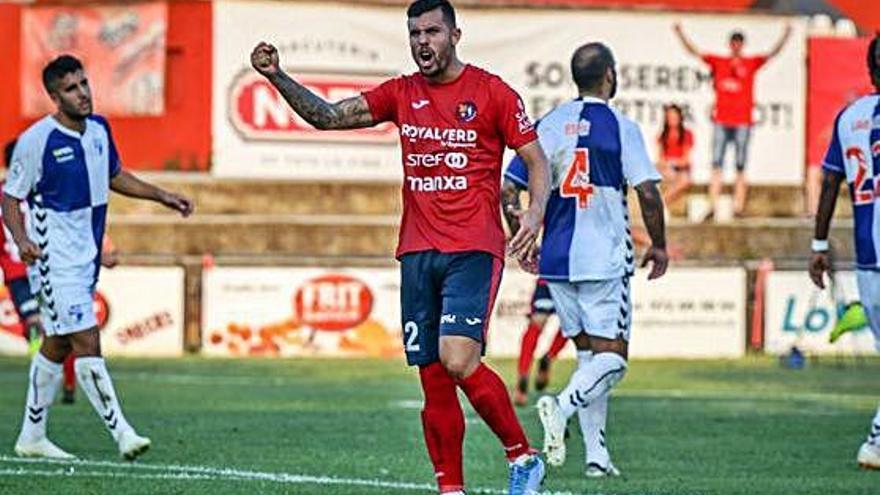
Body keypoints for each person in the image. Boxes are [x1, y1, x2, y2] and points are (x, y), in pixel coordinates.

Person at [250, 1, 550, 493]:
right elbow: (327, 117)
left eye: (432, 31)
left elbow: (536, 161)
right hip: (416, 250)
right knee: (432, 376)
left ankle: (522, 456)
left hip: (473, 247)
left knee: (457, 358)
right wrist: (276, 75)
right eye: (415, 33)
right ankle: (450, 488)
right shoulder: (400, 92)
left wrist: (532, 219)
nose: (422, 42)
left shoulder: (492, 92)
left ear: (455, 35)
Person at [7, 55, 194, 460]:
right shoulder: (36, 140)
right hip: (53, 259)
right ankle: (123, 433)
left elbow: (113, 175)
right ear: (55, 97)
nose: (83, 93)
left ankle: (32, 437)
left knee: (57, 345)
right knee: (86, 339)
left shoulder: (99, 130)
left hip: (86, 255)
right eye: (71, 88)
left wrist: (163, 196)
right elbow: (10, 197)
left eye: (84, 83)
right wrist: (22, 240)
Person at [531, 42, 668, 478]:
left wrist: (524, 235)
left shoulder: (550, 124)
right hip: (604, 257)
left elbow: (508, 186)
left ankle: (596, 456)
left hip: (557, 259)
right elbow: (647, 191)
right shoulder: (620, 126)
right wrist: (660, 244)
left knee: (590, 358)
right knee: (615, 357)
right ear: (609, 74)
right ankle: (560, 406)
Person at [808, 34, 880, 471]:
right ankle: (874, 439)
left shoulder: (849, 117)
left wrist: (818, 246)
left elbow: (831, 183)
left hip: (869, 258)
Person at [673, 22, 791, 219]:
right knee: (717, 163)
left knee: (740, 164)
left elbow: (772, 54)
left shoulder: (750, 64)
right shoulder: (720, 62)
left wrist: (785, 35)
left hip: (742, 120)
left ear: (742, 45)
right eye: (734, 43)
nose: (736, 46)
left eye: (739, 43)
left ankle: (738, 206)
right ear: (730, 45)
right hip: (722, 119)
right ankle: (713, 204)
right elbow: (695, 52)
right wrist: (680, 34)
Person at [656, 104, 693, 209]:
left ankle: (661, 202)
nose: (672, 119)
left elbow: (685, 160)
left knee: (685, 180)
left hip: (680, 170)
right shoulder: (663, 136)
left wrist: (672, 163)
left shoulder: (686, 134)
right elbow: (660, 159)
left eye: (675, 117)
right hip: (667, 170)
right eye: (670, 117)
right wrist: (667, 165)